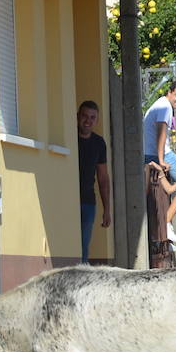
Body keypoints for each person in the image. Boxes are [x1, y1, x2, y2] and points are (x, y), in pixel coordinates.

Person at [143, 79, 176, 241]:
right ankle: (167, 221)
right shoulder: (165, 107)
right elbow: (161, 132)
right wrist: (162, 159)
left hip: (150, 153)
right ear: (169, 92)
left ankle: (166, 221)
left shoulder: (160, 104)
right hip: (159, 153)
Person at [75, 100, 111, 263]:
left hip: (88, 202)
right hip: (67, 201)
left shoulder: (99, 143)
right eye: (84, 116)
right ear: (77, 117)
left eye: (92, 117)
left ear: (96, 121)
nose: (87, 121)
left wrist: (107, 209)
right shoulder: (70, 137)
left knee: (83, 246)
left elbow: (103, 178)